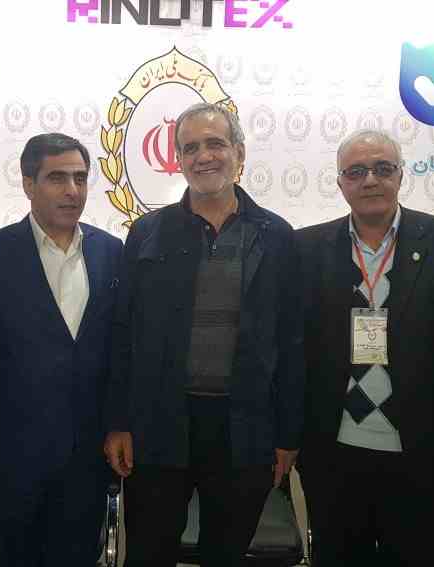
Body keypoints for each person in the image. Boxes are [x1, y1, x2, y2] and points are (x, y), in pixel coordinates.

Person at [103, 102, 304, 567]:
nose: (203, 156)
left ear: (239, 152)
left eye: (215, 144)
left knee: (226, 554)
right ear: (178, 160)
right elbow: (123, 334)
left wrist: (288, 435)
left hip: (245, 430)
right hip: (159, 424)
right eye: (190, 148)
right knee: (148, 553)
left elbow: (292, 341)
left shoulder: (277, 236)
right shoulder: (148, 233)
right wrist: (118, 422)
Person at [296, 129, 434, 565]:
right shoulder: (306, 248)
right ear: (340, 183)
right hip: (334, 454)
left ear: (401, 175)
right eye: (356, 172)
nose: (370, 180)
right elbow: (295, 350)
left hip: (420, 456)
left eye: (382, 168)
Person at [0, 132, 122, 566]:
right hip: (13, 463)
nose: (72, 190)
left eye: (80, 178)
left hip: (87, 462)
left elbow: (118, 353)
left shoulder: (111, 252)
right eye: (57, 178)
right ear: (28, 184)